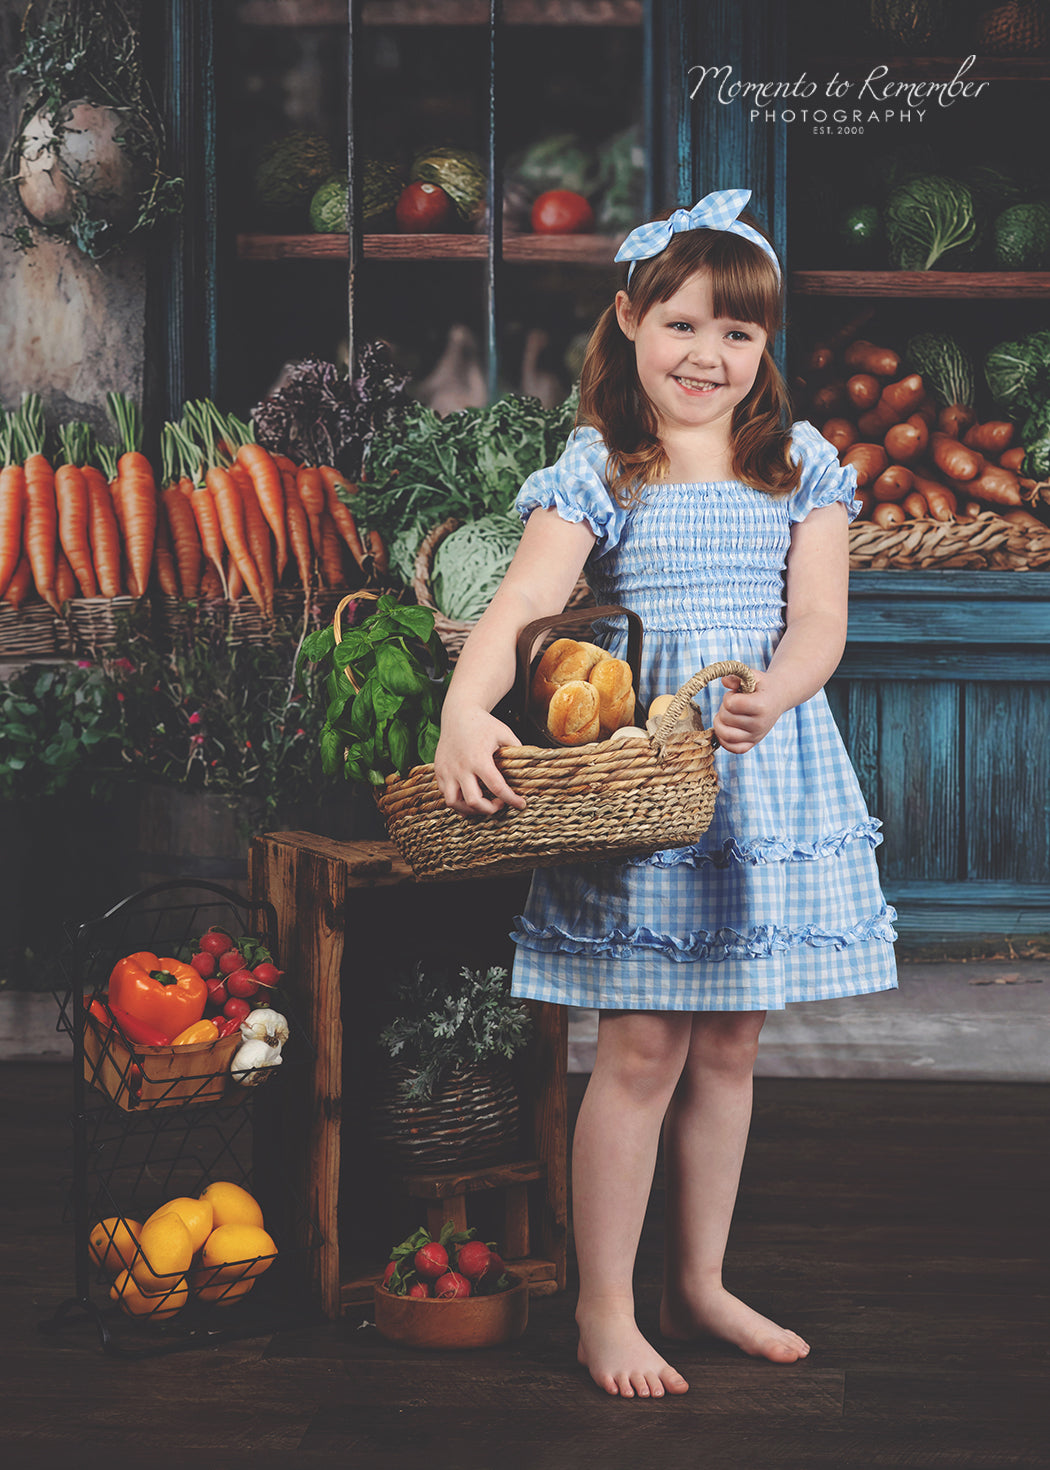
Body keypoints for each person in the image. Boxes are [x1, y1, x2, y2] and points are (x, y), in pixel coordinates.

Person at [434, 189, 897, 1399]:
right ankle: (604, 1307)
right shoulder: (601, 470)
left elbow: (821, 626)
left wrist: (779, 694)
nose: (709, 356)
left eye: (738, 335)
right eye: (683, 325)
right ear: (629, 318)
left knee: (731, 1045)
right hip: (653, 787)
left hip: (761, 770)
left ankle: (699, 1282)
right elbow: (525, 607)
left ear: (765, 349)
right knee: (641, 1047)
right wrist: (463, 709)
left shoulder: (802, 469)